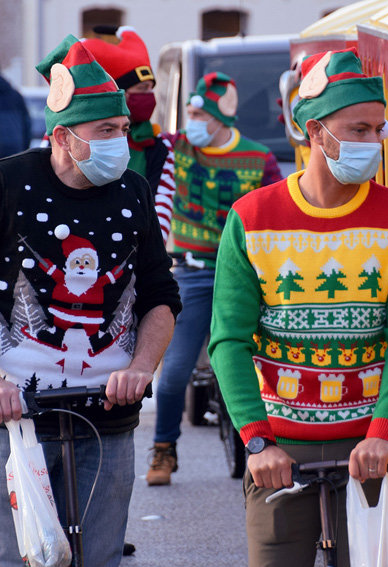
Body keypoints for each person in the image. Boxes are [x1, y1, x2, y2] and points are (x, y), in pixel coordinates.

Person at [0, 34, 182, 567]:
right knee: (11, 557)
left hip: (107, 417)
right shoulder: (3, 183)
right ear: (63, 136)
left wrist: (141, 367)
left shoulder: (134, 191)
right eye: (106, 131)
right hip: (11, 420)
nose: (121, 141)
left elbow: (160, 295)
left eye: (124, 129)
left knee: (100, 557)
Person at [208, 48, 388, 566]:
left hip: (369, 448)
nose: (373, 142)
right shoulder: (252, 217)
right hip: (278, 448)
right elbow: (228, 341)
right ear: (315, 131)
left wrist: (385, 433)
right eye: (358, 129)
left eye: (378, 129)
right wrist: (258, 441)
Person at [145, 71, 283, 486]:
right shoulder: (178, 148)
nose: (189, 122)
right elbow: (139, 134)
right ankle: (164, 448)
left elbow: (278, 213)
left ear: (221, 118)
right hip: (191, 272)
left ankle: (264, 442)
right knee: (173, 372)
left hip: (243, 275)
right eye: (189, 114)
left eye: (197, 114)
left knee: (260, 366)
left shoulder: (259, 159)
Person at [82, 26, 175, 244]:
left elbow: (160, 209)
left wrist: (146, 250)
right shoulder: (76, 138)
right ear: (118, 94)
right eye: (141, 89)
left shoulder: (158, 147)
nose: (149, 97)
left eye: (151, 89)